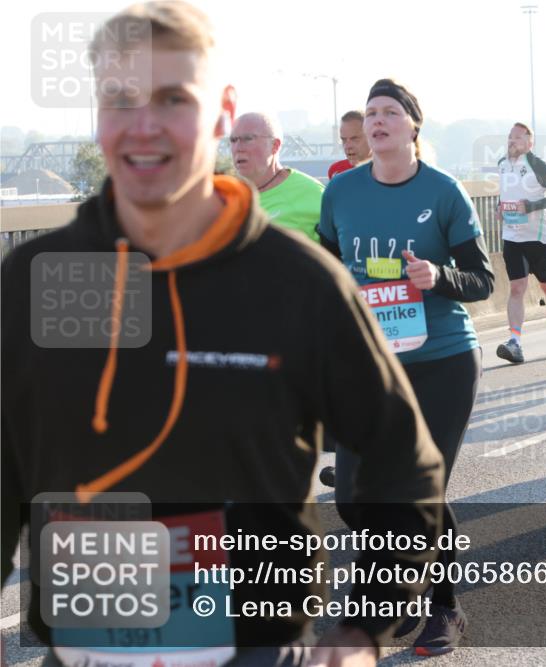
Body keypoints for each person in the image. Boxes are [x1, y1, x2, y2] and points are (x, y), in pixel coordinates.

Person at [1, 5, 445, 667]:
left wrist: (365, 629)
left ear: (220, 111)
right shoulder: (41, 278)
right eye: (120, 99)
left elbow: (404, 461)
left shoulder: (300, 283)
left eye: (173, 98)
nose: (144, 124)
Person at [318, 78, 494, 657]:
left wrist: (437, 277)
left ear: (413, 125)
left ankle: (440, 606)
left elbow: (482, 280)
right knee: (352, 494)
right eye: (370, 113)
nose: (377, 120)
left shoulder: (443, 192)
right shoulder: (340, 193)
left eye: (389, 111)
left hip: (441, 361)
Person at [494, 122, 546, 364]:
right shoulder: (502, 164)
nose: (511, 141)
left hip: (538, 236)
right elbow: (507, 193)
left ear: (530, 143)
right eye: (510, 137)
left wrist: (531, 207)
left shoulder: (538, 165)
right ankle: (515, 343)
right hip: (512, 235)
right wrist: (501, 209)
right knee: (517, 287)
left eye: (517, 138)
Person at [232, 111, 324, 242]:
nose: (238, 148)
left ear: (275, 146)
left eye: (248, 139)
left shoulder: (311, 192)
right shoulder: (223, 197)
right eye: (233, 140)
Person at [327, 110, 371, 179]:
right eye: (344, 140)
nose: (347, 146)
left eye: (354, 139)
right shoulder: (336, 171)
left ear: (372, 137)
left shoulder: (389, 171)